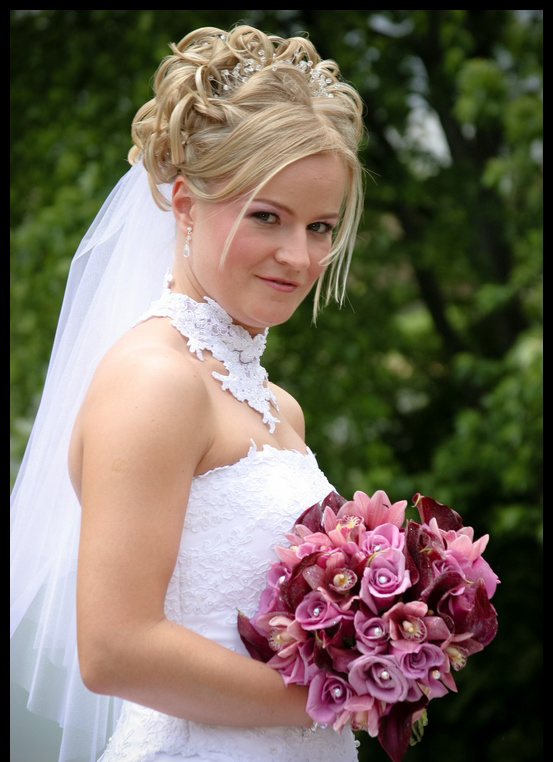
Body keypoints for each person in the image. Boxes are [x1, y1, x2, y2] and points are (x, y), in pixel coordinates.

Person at [10, 24, 365, 762]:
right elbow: (114, 648)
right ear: (182, 204)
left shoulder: (277, 407)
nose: (298, 257)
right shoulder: (155, 381)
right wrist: (345, 694)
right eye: (266, 215)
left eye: (320, 226)